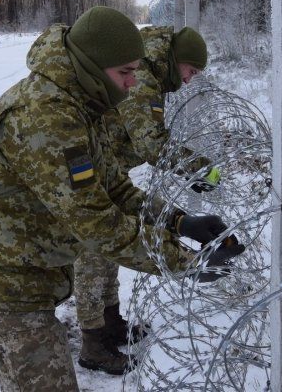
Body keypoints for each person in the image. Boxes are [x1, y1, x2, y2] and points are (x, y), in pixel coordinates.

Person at [0, 7, 239, 391]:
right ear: (93, 66)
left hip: (30, 274)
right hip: (2, 286)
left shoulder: (81, 104)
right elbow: (97, 224)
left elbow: (115, 189)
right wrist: (184, 261)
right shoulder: (46, 117)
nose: (134, 84)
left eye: (135, 71)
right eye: (126, 72)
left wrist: (179, 221)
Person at [73, 24, 221, 373]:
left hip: (108, 168)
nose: (189, 80)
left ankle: (109, 323)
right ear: (177, 60)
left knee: (106, 254)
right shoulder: (145, 82)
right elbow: (151, 143)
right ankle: (93, 343)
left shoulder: (152, 73)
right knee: (95, 252)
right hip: (90, 171)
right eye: (191, 71)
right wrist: (198, 169)